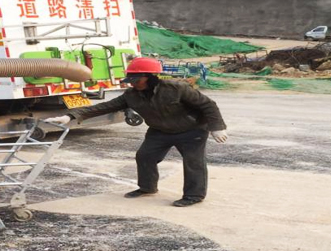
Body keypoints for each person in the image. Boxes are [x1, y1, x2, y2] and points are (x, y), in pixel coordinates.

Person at [44, 57, 228, 207]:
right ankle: (147, 188)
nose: (134, 84)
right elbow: (105, 106)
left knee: (193, 162)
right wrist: (70, 116)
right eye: (131, 81)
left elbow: (208, 105)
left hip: (191, 130)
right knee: (144, 156)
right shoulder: (131, 95)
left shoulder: (176, 88)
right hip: (160, 131)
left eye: (137, 80)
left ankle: (194, 195)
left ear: (150, 76)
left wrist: (217, 127)